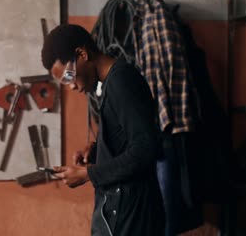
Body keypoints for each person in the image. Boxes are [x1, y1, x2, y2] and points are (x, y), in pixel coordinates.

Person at [41, 24, 165, 235]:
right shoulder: (110, 84)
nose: (71, 87)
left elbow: (146, 149)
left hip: (134, 217)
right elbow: (128, 138)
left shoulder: (122, 81)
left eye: (69, 77)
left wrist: (88, 173)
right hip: (123, 212)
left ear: (82, 54)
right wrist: (97, 149)